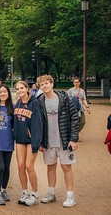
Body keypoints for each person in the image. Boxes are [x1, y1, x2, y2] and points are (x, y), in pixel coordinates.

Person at [37, 75, 79, 208]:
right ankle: (51, 192)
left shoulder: (64, 98)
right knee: (51, 166)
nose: (44, 86)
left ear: (52, 84)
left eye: (46, 83)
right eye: (42, 84)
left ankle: (70, 196)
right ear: (40, 87)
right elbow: (38, 123)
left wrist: (73, 139)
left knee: (66, 167)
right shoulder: (39, 101)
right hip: (48, 141)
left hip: (64, 140)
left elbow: (74, 117)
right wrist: (39, 141)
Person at [14, 81, 43, 206]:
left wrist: (37, 142)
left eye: (22, 88)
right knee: (20, 166)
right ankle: (25, 192)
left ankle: (35, 194)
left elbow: (38, 124)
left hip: (31, 140)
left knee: (29, 166)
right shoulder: (18, 103)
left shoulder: (34, 102)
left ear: (27, 89)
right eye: (17, 89)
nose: (20, 90)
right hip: (20, 139)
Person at [0, 84, 14, 205]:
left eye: (5, 92)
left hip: (8, 142)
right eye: (0, 92)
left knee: (7, 167)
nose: (3, 94)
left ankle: (4, 190)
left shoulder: (12, 108)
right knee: (0, 167)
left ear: (8, 93)